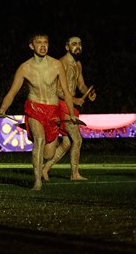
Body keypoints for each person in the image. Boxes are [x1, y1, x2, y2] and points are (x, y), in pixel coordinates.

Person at [0, 32, 77, 191]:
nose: (43, 45)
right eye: (38, 42)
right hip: (34, 108)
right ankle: (37, 182)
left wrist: (72, 114)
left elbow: (67, 92)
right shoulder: (25, 68)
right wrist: (3, 108)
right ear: (31, 46)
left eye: (45, 42)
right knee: (39, 139)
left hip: (53, 111)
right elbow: (12, 92)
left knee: (48, 154)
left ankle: (43, 166)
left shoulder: (56, 65)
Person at [41, 35, 97, 181]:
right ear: (67, 47)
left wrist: (87, 92)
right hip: (63, 104)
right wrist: (74, 100)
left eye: (79, 43)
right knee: (77, 140)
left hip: (71, 103)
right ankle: (74, 174)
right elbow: (58, 90)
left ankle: (44, 169)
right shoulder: (61, 63)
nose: (77, 46)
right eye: (74, 44)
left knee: (66, 143)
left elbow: (81, 84)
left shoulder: (78, 64)